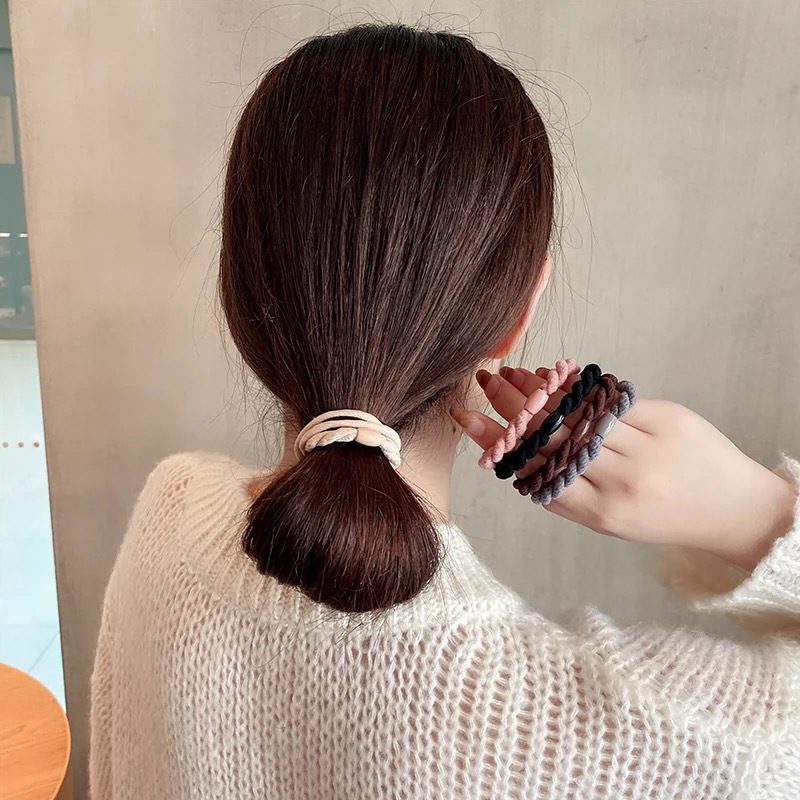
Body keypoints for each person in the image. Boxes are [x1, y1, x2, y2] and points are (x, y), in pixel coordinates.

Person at [90, 22, 799, 799]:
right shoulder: (672, 742)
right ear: (517, 314)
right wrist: (759, 514)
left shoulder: (171, 516)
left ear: (243, 295)